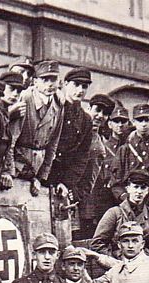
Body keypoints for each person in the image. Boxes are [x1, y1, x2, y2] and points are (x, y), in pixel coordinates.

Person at [12, 60, 64, 197]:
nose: (50, 84)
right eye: (45, 79)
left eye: (53, 79)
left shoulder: (58, 104)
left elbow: (53, 144)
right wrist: (9, 171)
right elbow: (12, 139)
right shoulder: (26, 98)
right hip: (17, 166)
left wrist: (40, 177)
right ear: (35, 82)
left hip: (36, 171)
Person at [91, 171, 149, 258]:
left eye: (143, 188)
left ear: (147, 191)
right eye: (135, 187)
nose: (139, 191)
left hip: (144, 263)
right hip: (119, 262)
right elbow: (97, 244)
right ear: (128, 188)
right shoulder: (114, 213)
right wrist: (115, 261)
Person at [47, 67, 93, 206]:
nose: (80, 90)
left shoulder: (85, 120)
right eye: (76, 84)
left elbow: (81, 156)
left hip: (61, 182)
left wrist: (66, 183)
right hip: (40, 173)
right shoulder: (53, 108)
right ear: (65, 84)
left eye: (84, 86)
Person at [78, 93, 115, 238]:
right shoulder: (74, 130)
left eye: (105, 114)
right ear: (89, 108)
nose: (100, 116)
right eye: (97, 110)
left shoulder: (98, 145)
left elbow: (90, 181)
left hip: (80, 200)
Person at [93, 105, 130, 220]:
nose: (120, 125)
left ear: (128, 124)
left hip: (128, 195)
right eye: (116, 121)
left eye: (123, 121)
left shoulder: (132, 147)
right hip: (107, 197)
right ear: (109, 124)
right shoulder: (103, 147)